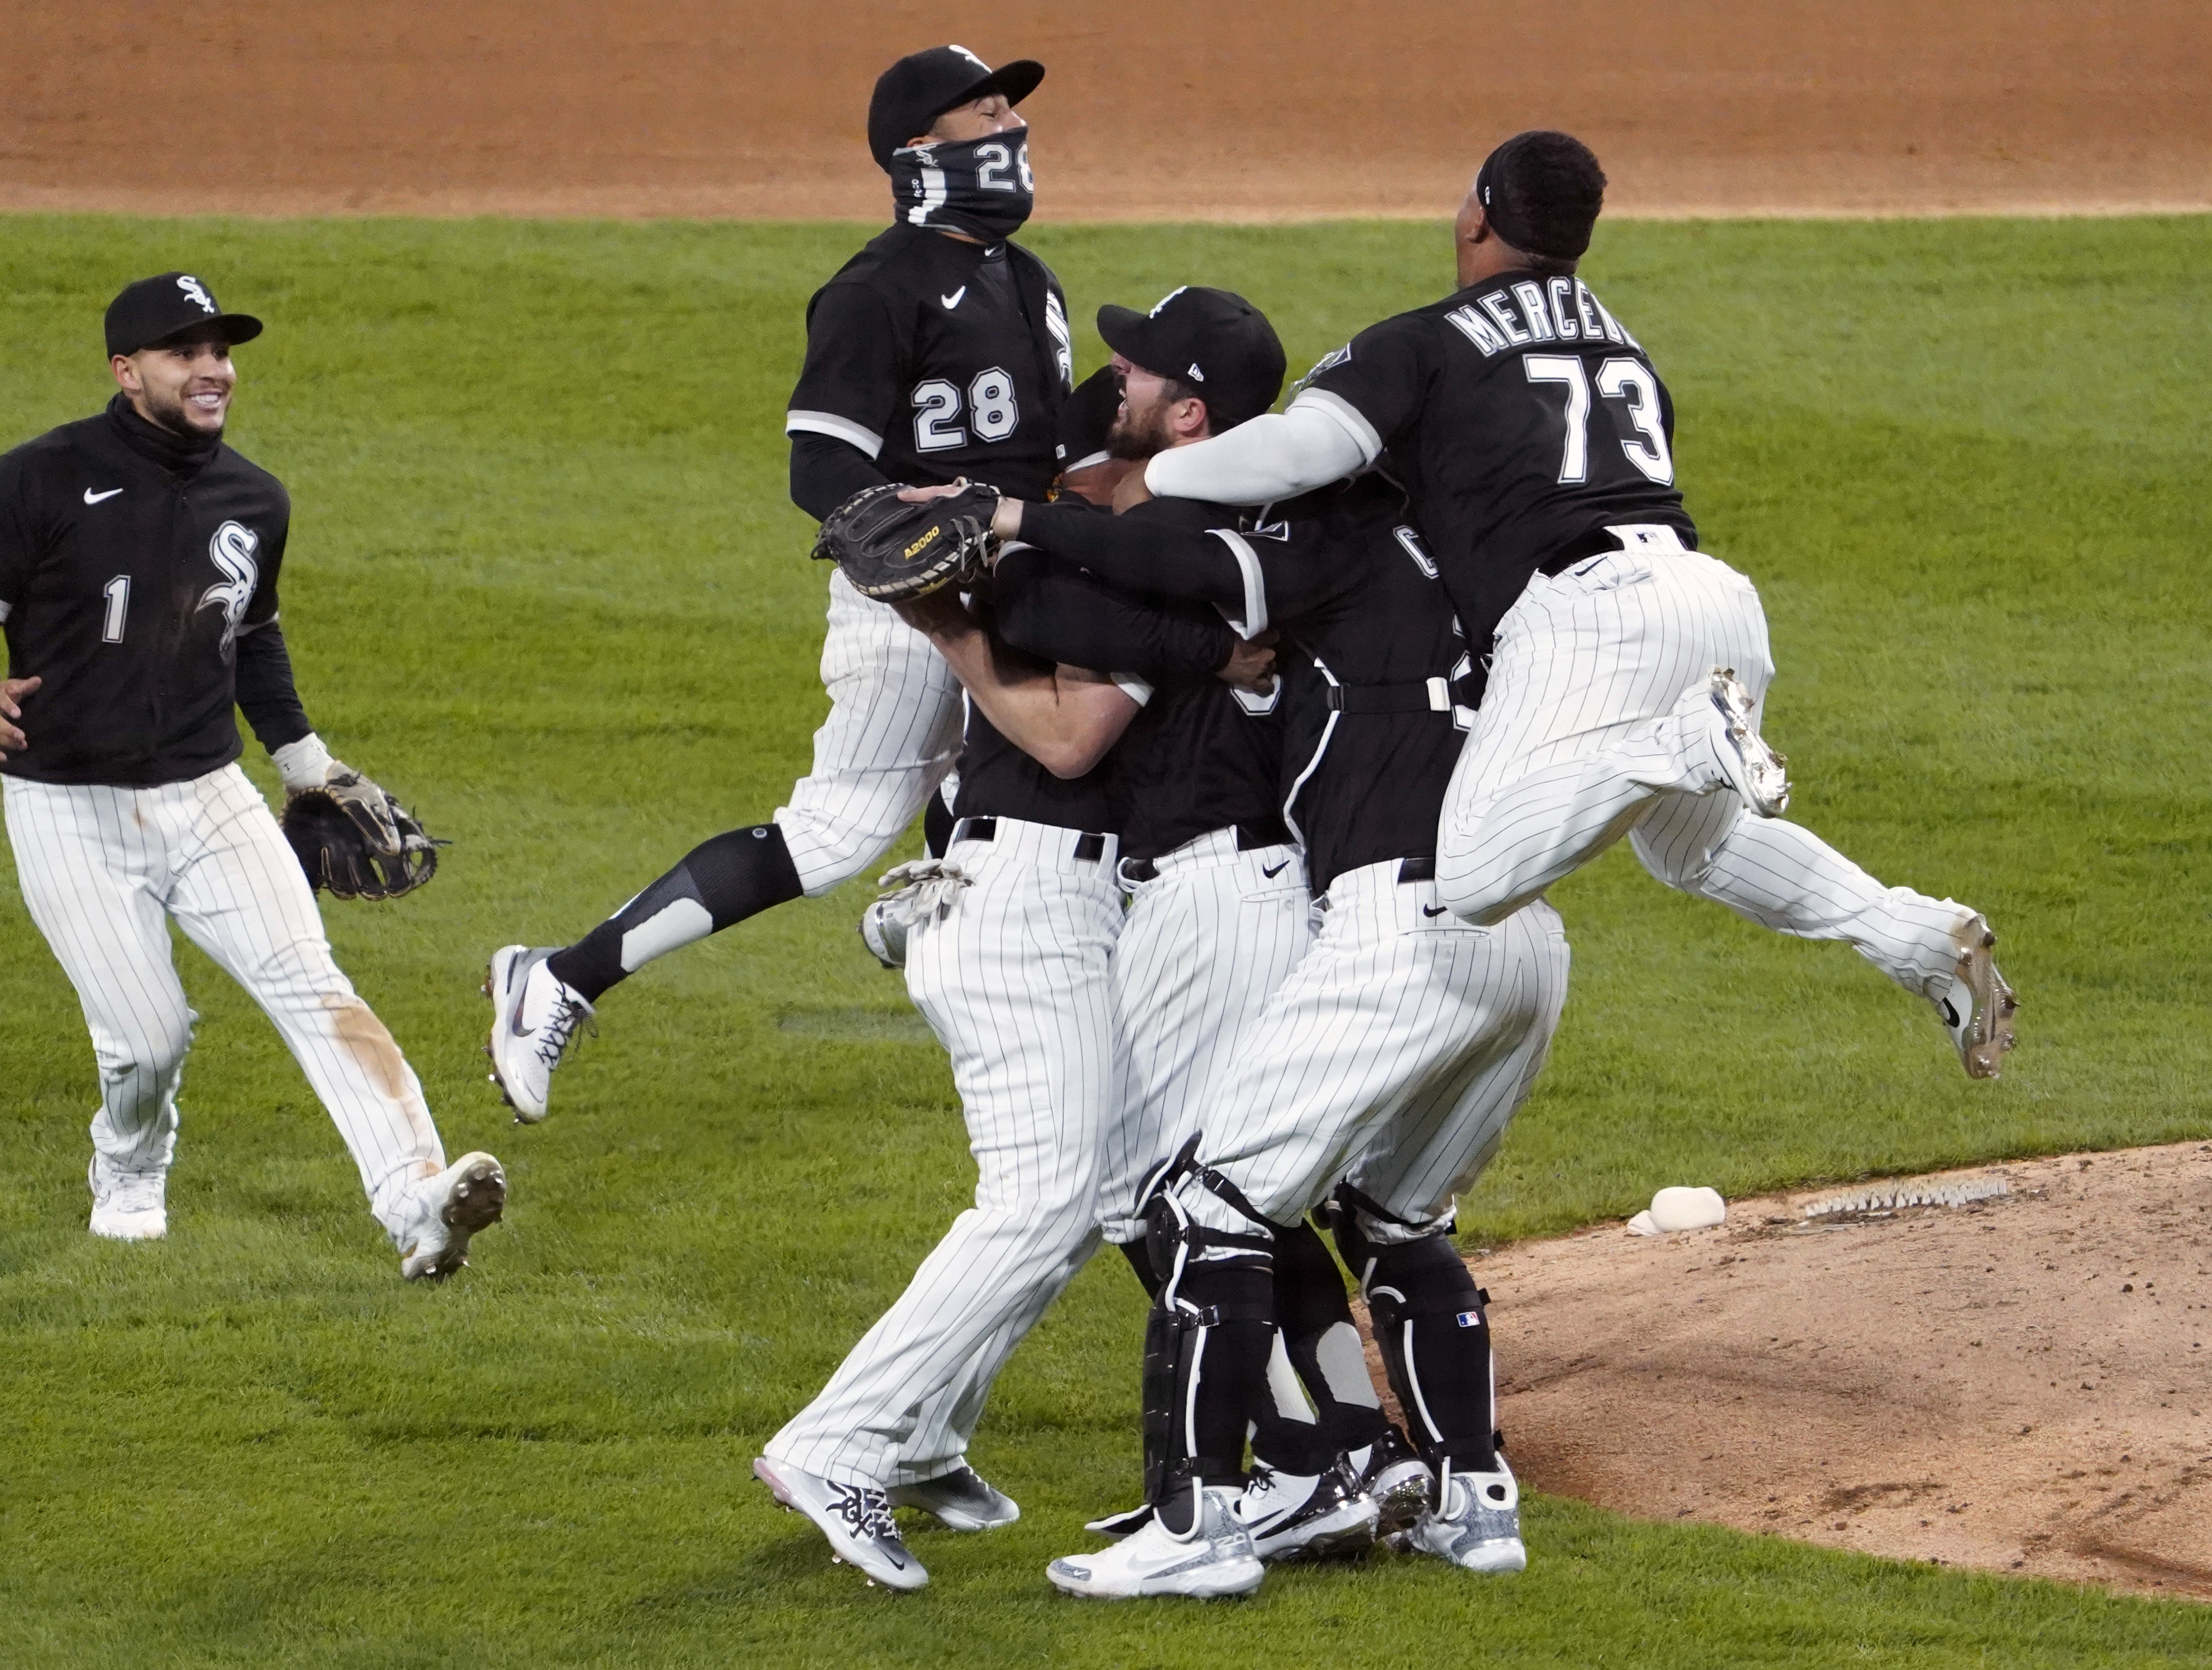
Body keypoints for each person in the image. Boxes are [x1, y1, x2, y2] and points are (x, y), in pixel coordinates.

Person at [1134, 130, 2019, 1080]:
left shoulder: (1426, 341)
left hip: (1589, 619)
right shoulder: (1620, 342)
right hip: (1709, 599)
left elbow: (1298, 453)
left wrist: (1152, 476)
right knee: (1700, 852)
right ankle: (1921, 939)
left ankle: (1680, 744)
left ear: (1477, 216)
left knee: (1472, 875)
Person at [933, 394, 1569, 1600]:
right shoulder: (1495, 581)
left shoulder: (1330, 554)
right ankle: (1476, 1501)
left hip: (1391, 922)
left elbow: (1138, 568)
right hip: (1525, 931)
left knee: (1209, 1206)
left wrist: (1001, 536)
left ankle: (1208, 1518)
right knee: (1399, 1217)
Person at [749, 342, 1267, 1591]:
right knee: (1043, 1197)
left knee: (1088, 1188)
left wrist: (956, 617)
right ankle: (837, 1443)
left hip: (1028, 892)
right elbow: (1069, 737)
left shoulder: (1093, 566)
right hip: (1022, 897)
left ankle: (921, 1434)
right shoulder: (1104, 569)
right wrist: (944, 623)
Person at [484, 44, 1075, 1121]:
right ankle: (559, 977)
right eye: (982, 113)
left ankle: (937, 927)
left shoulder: (1028, 280)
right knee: (841, 828)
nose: (1010, 132)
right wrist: (896, 544)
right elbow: (821, 460)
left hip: (1023, 585)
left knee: (1032, 783)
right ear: (917, 151)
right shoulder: (877, 288)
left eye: (1008, 111)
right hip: (917, 600)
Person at [0, 272, 505, 1280]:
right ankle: (130, 1168)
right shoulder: (41, 478)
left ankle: (418, 1201)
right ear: (126, 369)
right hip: (67, 805)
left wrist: (305, 761)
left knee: (315, 988)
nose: (212, 371)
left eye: (220, 352)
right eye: (184, 352)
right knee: (145, 1042)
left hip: (209, 797)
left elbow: (253, 636)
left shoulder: (254, 496)